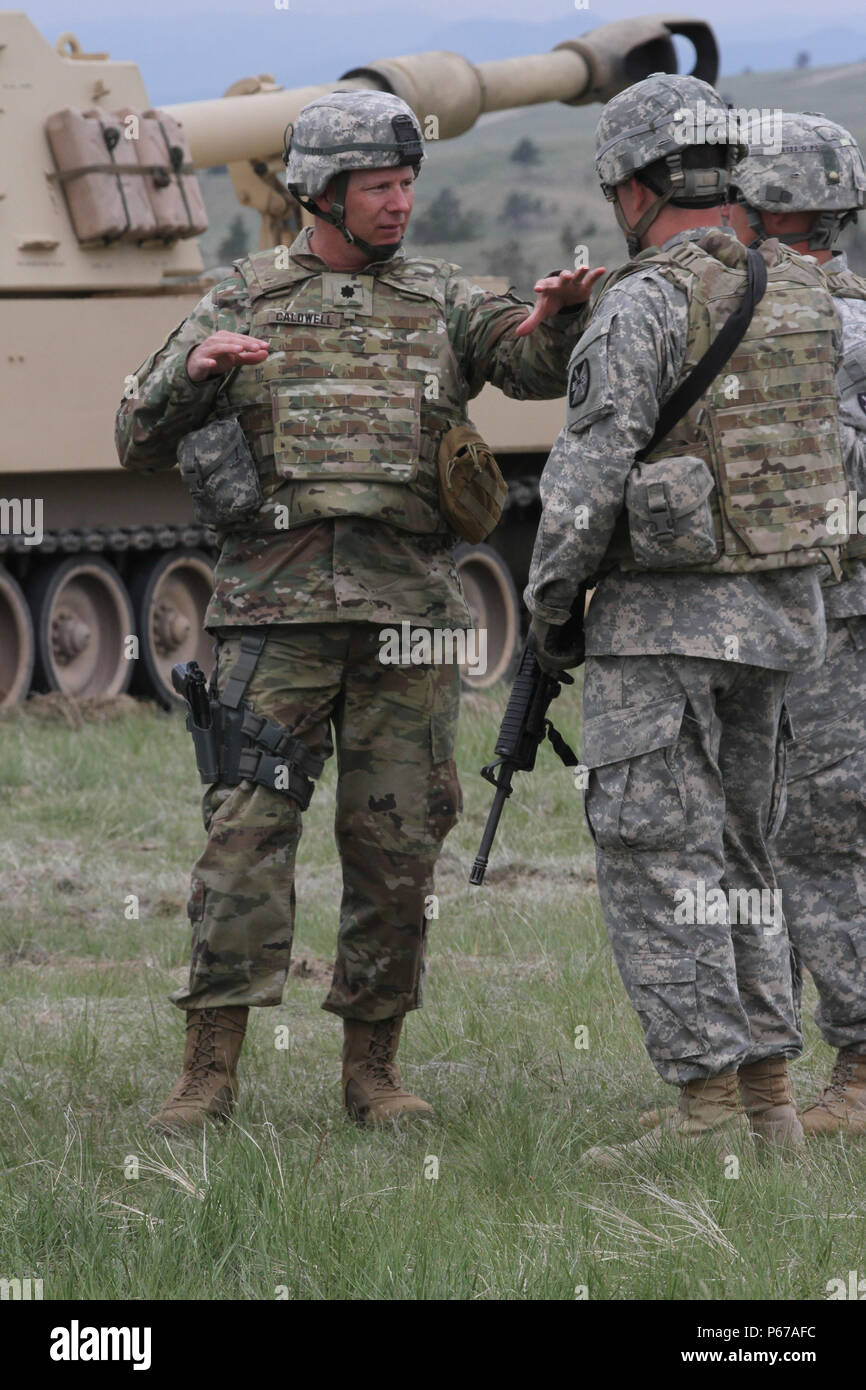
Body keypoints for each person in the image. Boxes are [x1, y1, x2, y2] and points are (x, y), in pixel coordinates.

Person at [115, 89, 602, 1132]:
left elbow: (524, 363)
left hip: (409, 624)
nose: (400, 202)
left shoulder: (441, 298)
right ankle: (208, 1074)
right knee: (244, 838)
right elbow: (135, 432)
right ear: (319, 196)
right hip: (271, 623)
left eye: (406, 182)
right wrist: (193, 377)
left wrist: (559, 320)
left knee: (395, 850)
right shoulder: (238, 298)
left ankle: (372, 1073)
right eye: (378, 186)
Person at [524, 73, 857, 1167]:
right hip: (780, 621)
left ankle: (706, 1117)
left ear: (635, 186)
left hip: (659, 631)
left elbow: (585, 476)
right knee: (742, 856)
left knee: (657, 862)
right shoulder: (803, 297)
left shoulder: (645, 300)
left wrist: (548, 610)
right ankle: (768, 1107)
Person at [727, 112, 866, 1134]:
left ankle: (857, 1073)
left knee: (813, 841)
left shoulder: (828, 330)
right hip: (787, 614)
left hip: (831, 617)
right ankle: (751, 1082)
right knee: (764, 841)